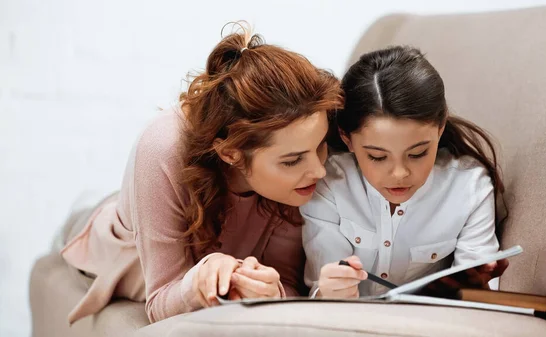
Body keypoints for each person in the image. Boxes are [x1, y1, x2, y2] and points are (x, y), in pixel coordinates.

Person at [59, 25, 343, 324]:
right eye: (292, 161)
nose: (319, 170)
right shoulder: (162, 146)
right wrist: (197, 282)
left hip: (202, 228)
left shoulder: (300, 177)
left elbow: (286, 279)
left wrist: (272, 294)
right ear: (230, 154)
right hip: (122, 235)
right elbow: (159, 301)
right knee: (79, 221)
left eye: (321, 146)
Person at [302, 45, 508, 299]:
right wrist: (329, 291)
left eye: (418, 153)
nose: (399, 173)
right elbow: (320, 289)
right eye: (377, 156)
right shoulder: (329, 182)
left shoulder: (469, 187)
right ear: (347, 139)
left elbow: (479, 294)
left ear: (440, 127)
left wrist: (479, 288)